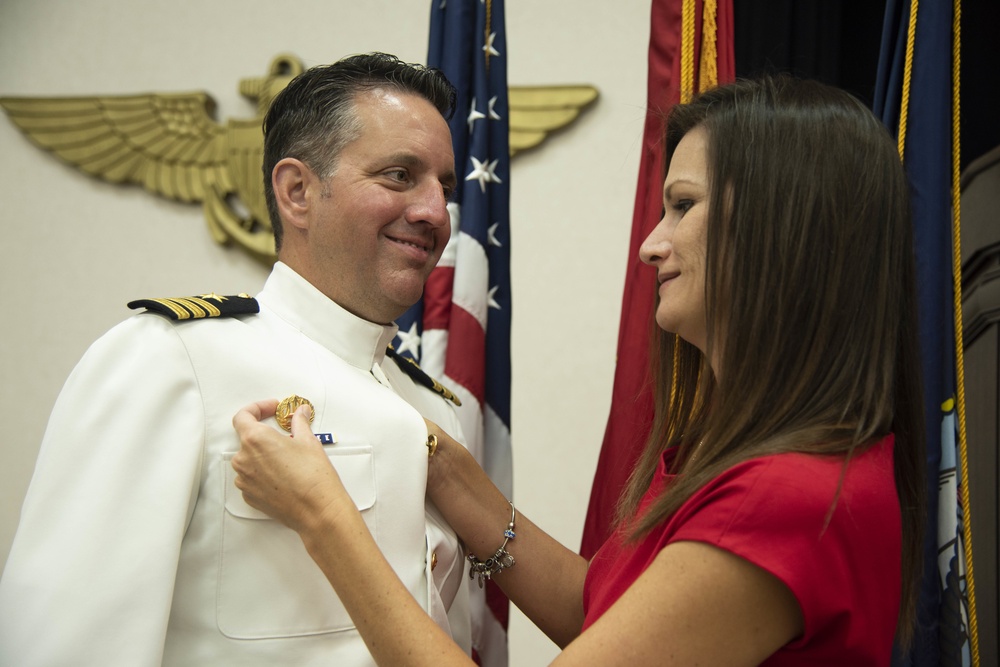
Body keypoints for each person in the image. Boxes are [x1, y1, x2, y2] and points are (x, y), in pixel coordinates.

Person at [232, 75, 926, 666]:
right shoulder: (738, 451)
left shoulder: (789, 494)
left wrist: (323, 516)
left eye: (683, 206)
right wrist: (436, 459)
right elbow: (600, 606)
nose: (653, 245)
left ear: (785, 225)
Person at [0, 53, 474, 665]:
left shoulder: (431, 404)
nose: (435, 212)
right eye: (399, 175)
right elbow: (68, 643)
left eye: (445, 187)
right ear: (297, 192)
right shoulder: (173, 360)